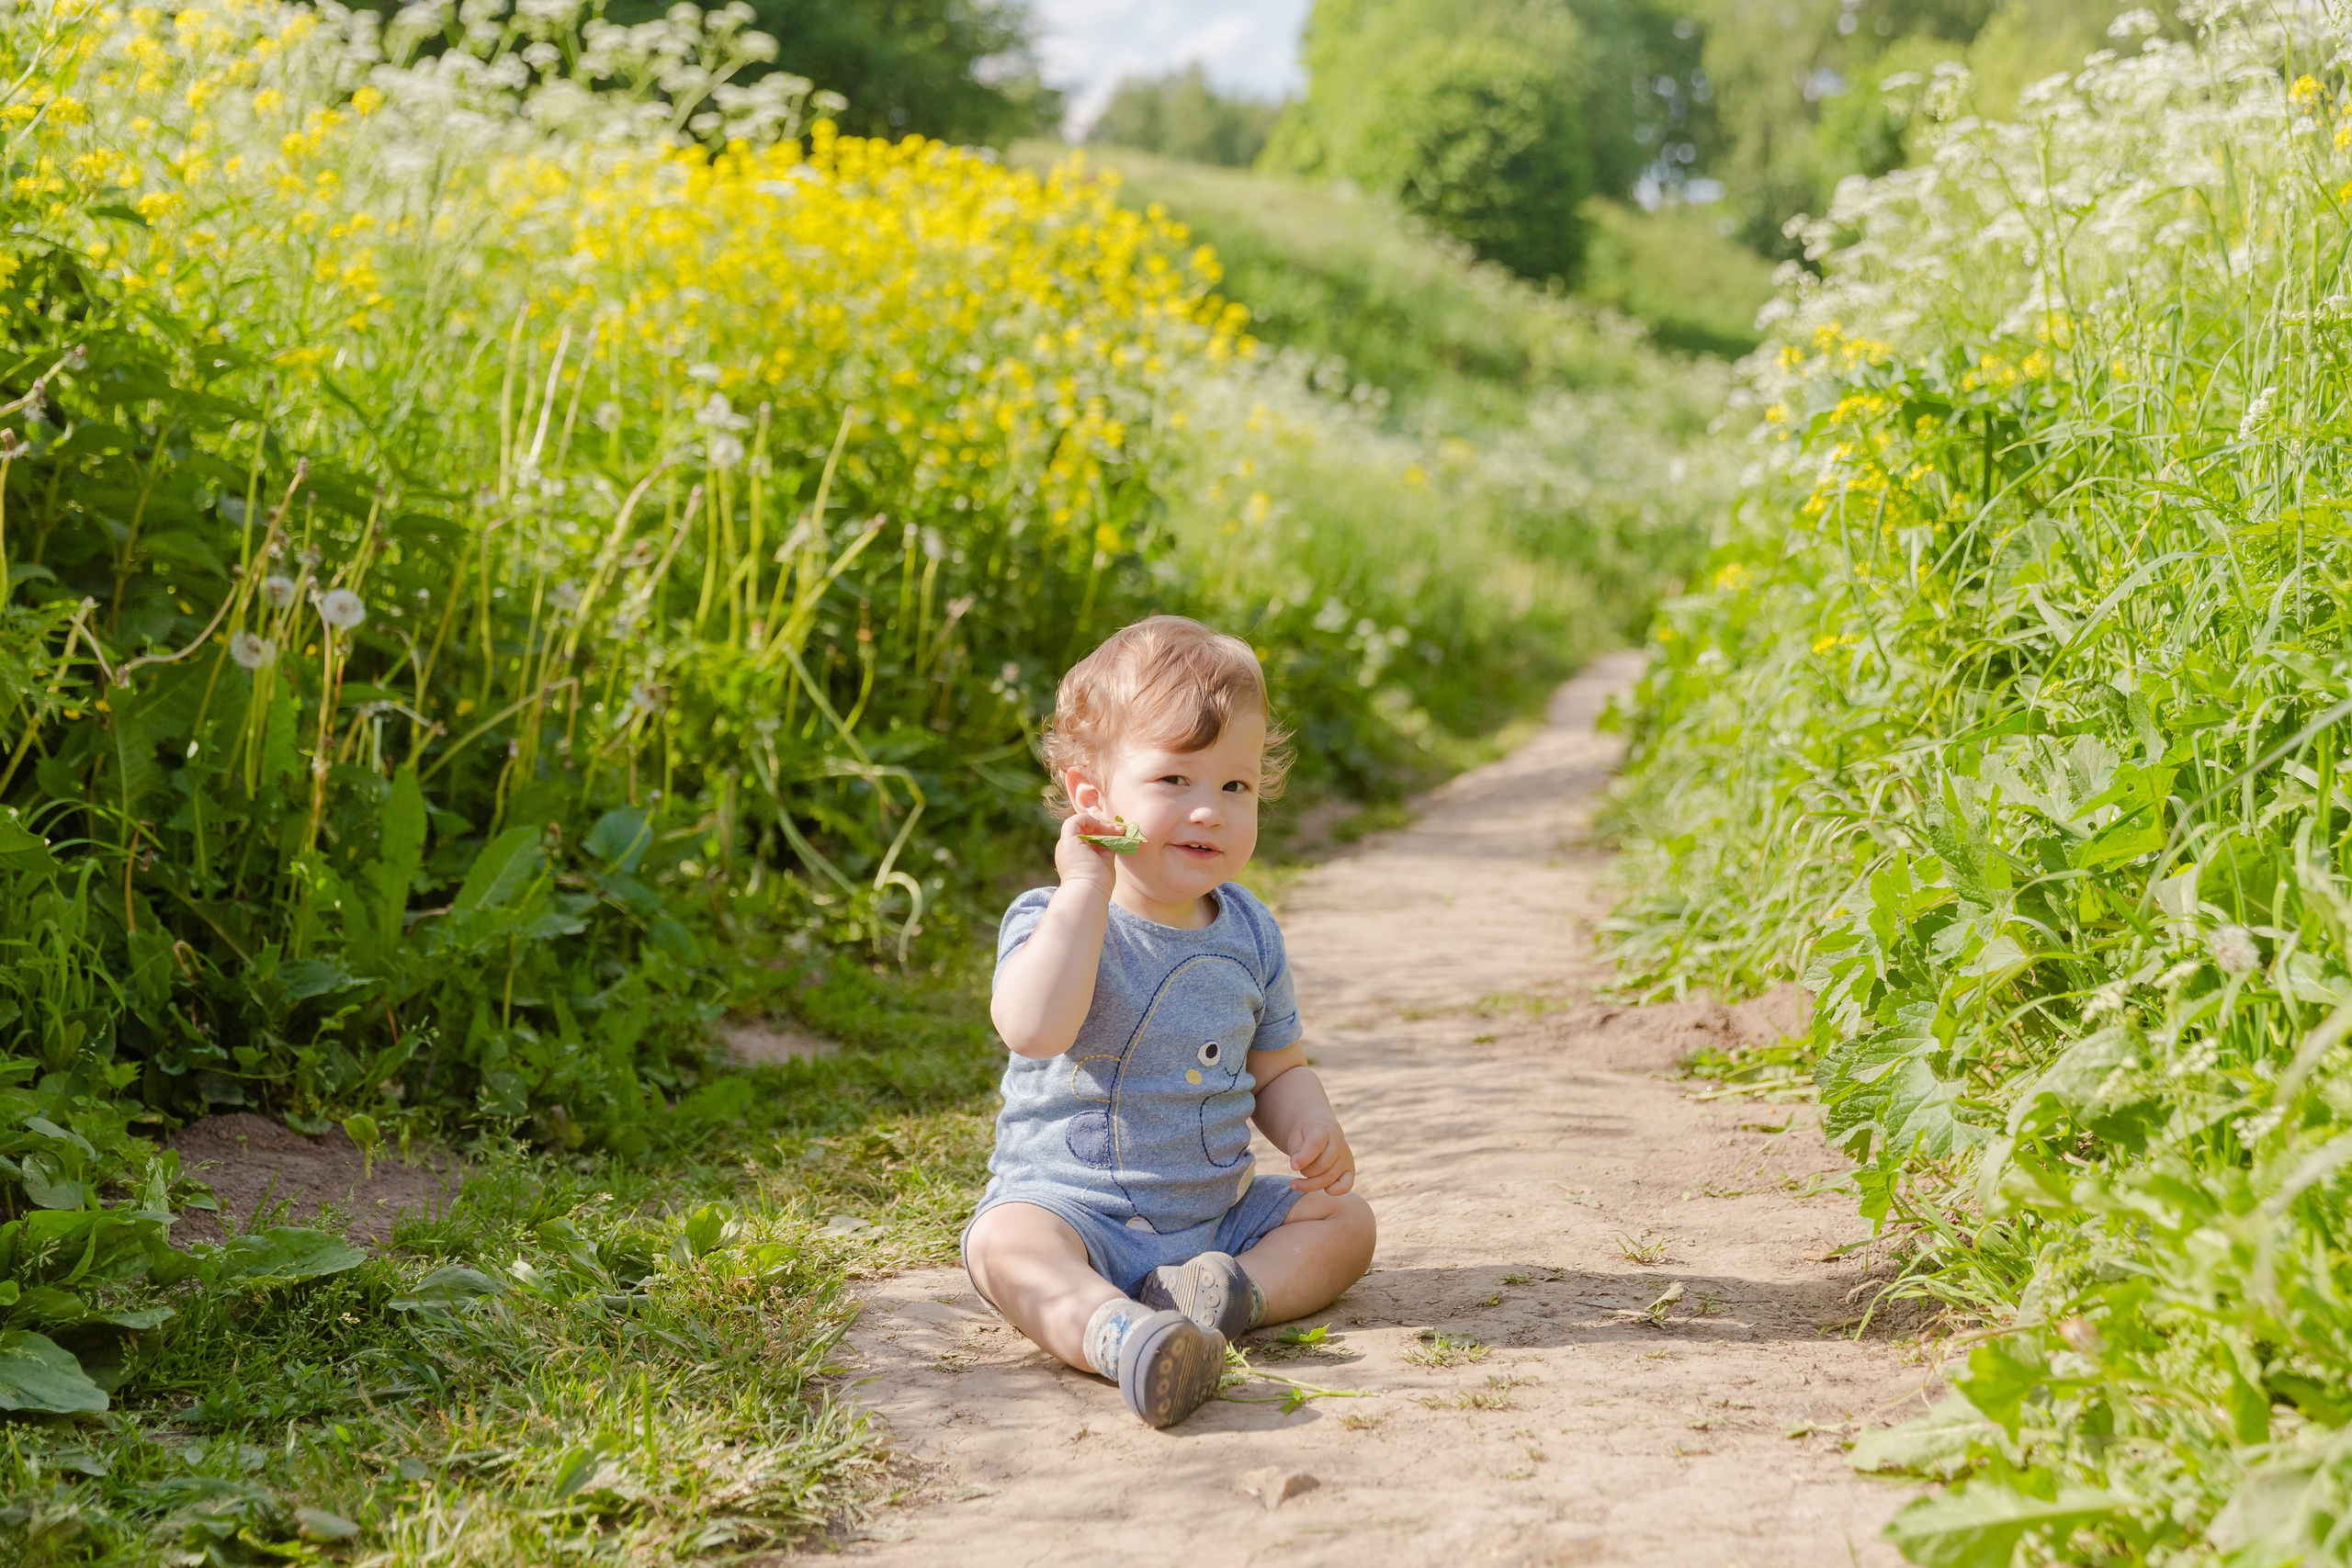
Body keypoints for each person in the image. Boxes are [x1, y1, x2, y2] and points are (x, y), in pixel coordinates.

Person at [963, 615, 1377, 1428]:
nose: (1210, 812)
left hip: (1216, 1216)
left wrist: (1309, 1122)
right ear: (1093, 799)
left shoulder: (1248, 929)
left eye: (1236, 786)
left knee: (1346, 1221)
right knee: (1001, 1245)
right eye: (1174, 782)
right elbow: (1033, 1028)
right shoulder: (1053, 917)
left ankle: (1228, 1295)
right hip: (1072, 1211)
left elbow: (1277, 1067)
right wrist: (1084, 891)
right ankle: (1124, 1335)